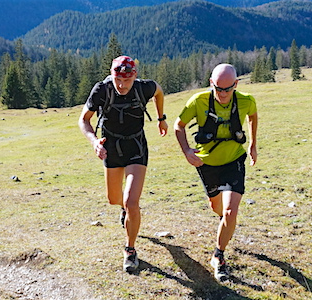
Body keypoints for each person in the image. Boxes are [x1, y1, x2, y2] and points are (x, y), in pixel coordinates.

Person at [78, 56, 167, 273]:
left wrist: (161, 117)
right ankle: (123, 209)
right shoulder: (102, 90)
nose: (121, 85)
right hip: (111, 147)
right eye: (118, 79)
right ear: (112, 74)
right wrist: (94, 142)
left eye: (126, 81)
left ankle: (130, 250)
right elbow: (84, 119)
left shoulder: (143, 88)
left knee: (132, 202)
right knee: (114, 199)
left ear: (134, 76)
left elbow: (159, 91)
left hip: (136, 146)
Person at [173, 64, 258, 281]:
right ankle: (223, 220)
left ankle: (218, 255)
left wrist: (253, 144)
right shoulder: (198, 101)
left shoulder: (246, 100)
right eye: (217, 89)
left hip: (233, 160)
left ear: (236, 85)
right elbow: (178, 125)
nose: (222, 94)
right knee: (216, 206)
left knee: (231, 211)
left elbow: (253, 116)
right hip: (206, 163)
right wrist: (186, 151)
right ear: (211, 83)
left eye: (227, 89)